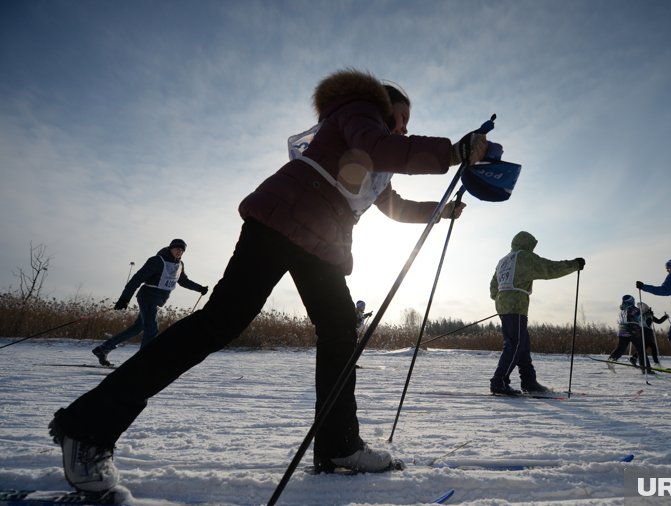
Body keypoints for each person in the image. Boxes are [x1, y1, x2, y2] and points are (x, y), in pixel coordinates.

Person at [48, 68, 487, 492]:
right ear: (382, 106)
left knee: (339, 330)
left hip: (323, 241)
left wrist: (440, 211)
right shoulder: (359, 111)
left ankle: (339, 446)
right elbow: (378, 144)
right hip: (282, 219)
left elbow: (391, 205)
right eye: (401, 118)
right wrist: (452, 152)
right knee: (220, 322)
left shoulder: (376, 161)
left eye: (409, 123)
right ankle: (88, 428)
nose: (404, 129)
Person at [489, 231, 584, 396]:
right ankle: (499, 381)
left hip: (504, 304)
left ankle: (529, 381)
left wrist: (501, 298)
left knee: (522, 344)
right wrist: (574, 264)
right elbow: (549, 268)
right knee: (515, 344)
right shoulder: (524, 257)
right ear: (528, 244)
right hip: (516, 305)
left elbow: (493, 287)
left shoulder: (504, 261)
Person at [92, 239, 208, 367]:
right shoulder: (157, 261)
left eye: (182, 250)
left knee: (137, 328)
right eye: (177, 249)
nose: (179, 251)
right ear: (170, 248)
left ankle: (102, 349)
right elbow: (136, 279)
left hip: (157, 299)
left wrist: (199, 288)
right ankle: (143, 363)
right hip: (147, 297)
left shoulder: (179, 264)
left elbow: (183, 281)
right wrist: (124, 299)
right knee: (151, 329)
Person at [607, 295, 651, 372]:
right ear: (630, 301)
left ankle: (612, 359)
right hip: (633, 330)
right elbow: (640, 318)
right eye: (633, 300)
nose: (634, 302)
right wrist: (648, 314)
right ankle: (646, 369)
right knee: (641, 349)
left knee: (621, 347)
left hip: (622, 329)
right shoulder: (634, 309)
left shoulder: (622, 310)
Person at [629, 302, 668, 366]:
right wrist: (665, 316)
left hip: (644, 332)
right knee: (652, 347)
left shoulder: (644, 315)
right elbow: (658, 321)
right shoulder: (645, 315)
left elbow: (658, 321)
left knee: (644, 347)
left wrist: (665, 317)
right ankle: (656, 362)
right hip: (645, 332)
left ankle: (634, 358)